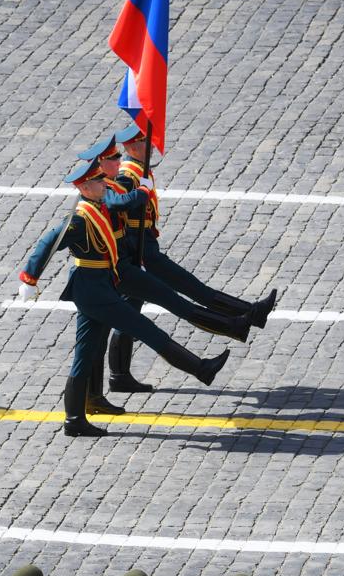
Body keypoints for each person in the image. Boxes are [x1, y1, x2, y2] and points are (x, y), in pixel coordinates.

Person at [18, 156, 228, 437]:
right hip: (94, 291)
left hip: (99, 286)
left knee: (84, 354)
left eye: (99, 179)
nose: (101, 184)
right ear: (83, 188)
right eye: (94, 181)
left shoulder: (99, 206)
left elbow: (121, 207)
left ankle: (73, 419)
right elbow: (47, 242)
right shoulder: (79, 220)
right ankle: (202, 369)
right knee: (147, 330)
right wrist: (30, 279)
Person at [100, 122, 277, 397]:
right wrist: (140, 197)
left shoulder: (138, 170)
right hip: (142, 252)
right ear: (132, 147)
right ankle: (246, 318)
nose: (150, 144)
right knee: (190, 290)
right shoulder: (128, 176)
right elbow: (122, 210)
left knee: (131, 314)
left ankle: (119, 375)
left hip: (146, 248)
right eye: (144, 141)